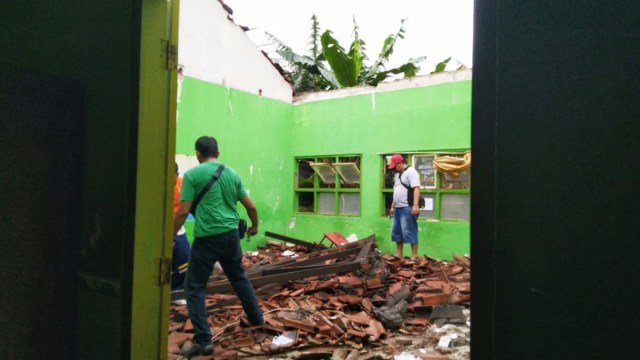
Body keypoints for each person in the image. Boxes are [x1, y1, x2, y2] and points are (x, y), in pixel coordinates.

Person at [173, 136, 262, 357]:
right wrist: (254, 226)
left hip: (207, 239)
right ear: (218, 153)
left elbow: (183, 211)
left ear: (197, 154)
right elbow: (250, 206)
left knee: (194, 287)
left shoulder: (192, 175)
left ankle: (203, 341)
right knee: (239, 278)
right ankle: (257, 319)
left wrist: (169, 236)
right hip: (232, 236)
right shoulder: (232, 173)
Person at [388, 154, 421, 260]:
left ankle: (414, 256)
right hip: (397, 208)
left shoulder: (411, 172)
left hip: (408, 207)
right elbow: (396, 191)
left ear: (400, 163)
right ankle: (399, 253)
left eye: (395, 166)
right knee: (397, 231)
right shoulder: (397, 175)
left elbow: (416, 188)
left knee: (410, 231)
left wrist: (415, 206)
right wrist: (392, 206)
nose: (394, 169)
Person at [172, 162, 190, 294]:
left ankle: (177, 291)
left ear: (177, 175)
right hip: (156, 227)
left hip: (176, 226)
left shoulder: (183, 184)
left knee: (184, 258)